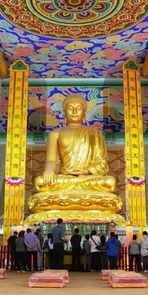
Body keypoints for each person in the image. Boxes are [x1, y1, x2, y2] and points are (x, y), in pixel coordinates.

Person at [26, 94, 124, 224]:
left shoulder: (94, 132)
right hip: (64, 178)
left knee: (109, 182)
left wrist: (86, 171)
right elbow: (51, 161)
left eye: (78, 108)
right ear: (64, 112)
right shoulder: (55, 133)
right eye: (70, 108)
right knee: (41, 182)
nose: (74, 111)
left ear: (84, 112)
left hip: (87, 178)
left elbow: (102, 162)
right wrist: (49, 171)